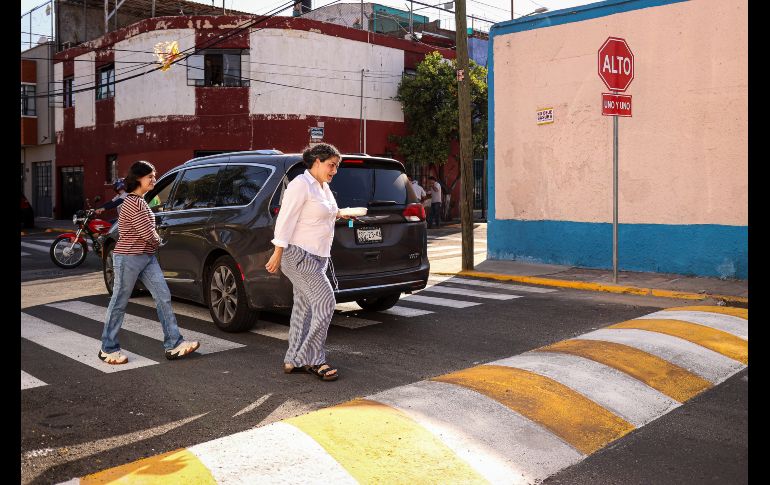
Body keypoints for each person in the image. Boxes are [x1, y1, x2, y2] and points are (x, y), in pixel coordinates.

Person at [265, 143, 352, 382]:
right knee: (326, 303)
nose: (335, 170)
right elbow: (285, 219)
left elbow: (320, 213)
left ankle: (293, 358)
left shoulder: (323, 187)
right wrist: (277, 252)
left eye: (337, 166)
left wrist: (341, 213)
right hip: (299, 256)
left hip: (318, 256)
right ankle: (313, 358)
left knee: (303, 309)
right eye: (331, 165)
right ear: (316, 161)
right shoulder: (300, 185)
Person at [98, 161, 200, 365]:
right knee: (119, 301)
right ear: (138, 179)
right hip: (129, 258)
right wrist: (159, 240)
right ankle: (108, 348)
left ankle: (173, 343)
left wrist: (155, 241)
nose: (154, 179)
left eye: (154, 175)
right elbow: (146, 232)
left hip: (146, 257)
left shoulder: (141, 201)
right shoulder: (133, 202)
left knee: (163, 296)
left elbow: (147, 231)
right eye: (150, 177)